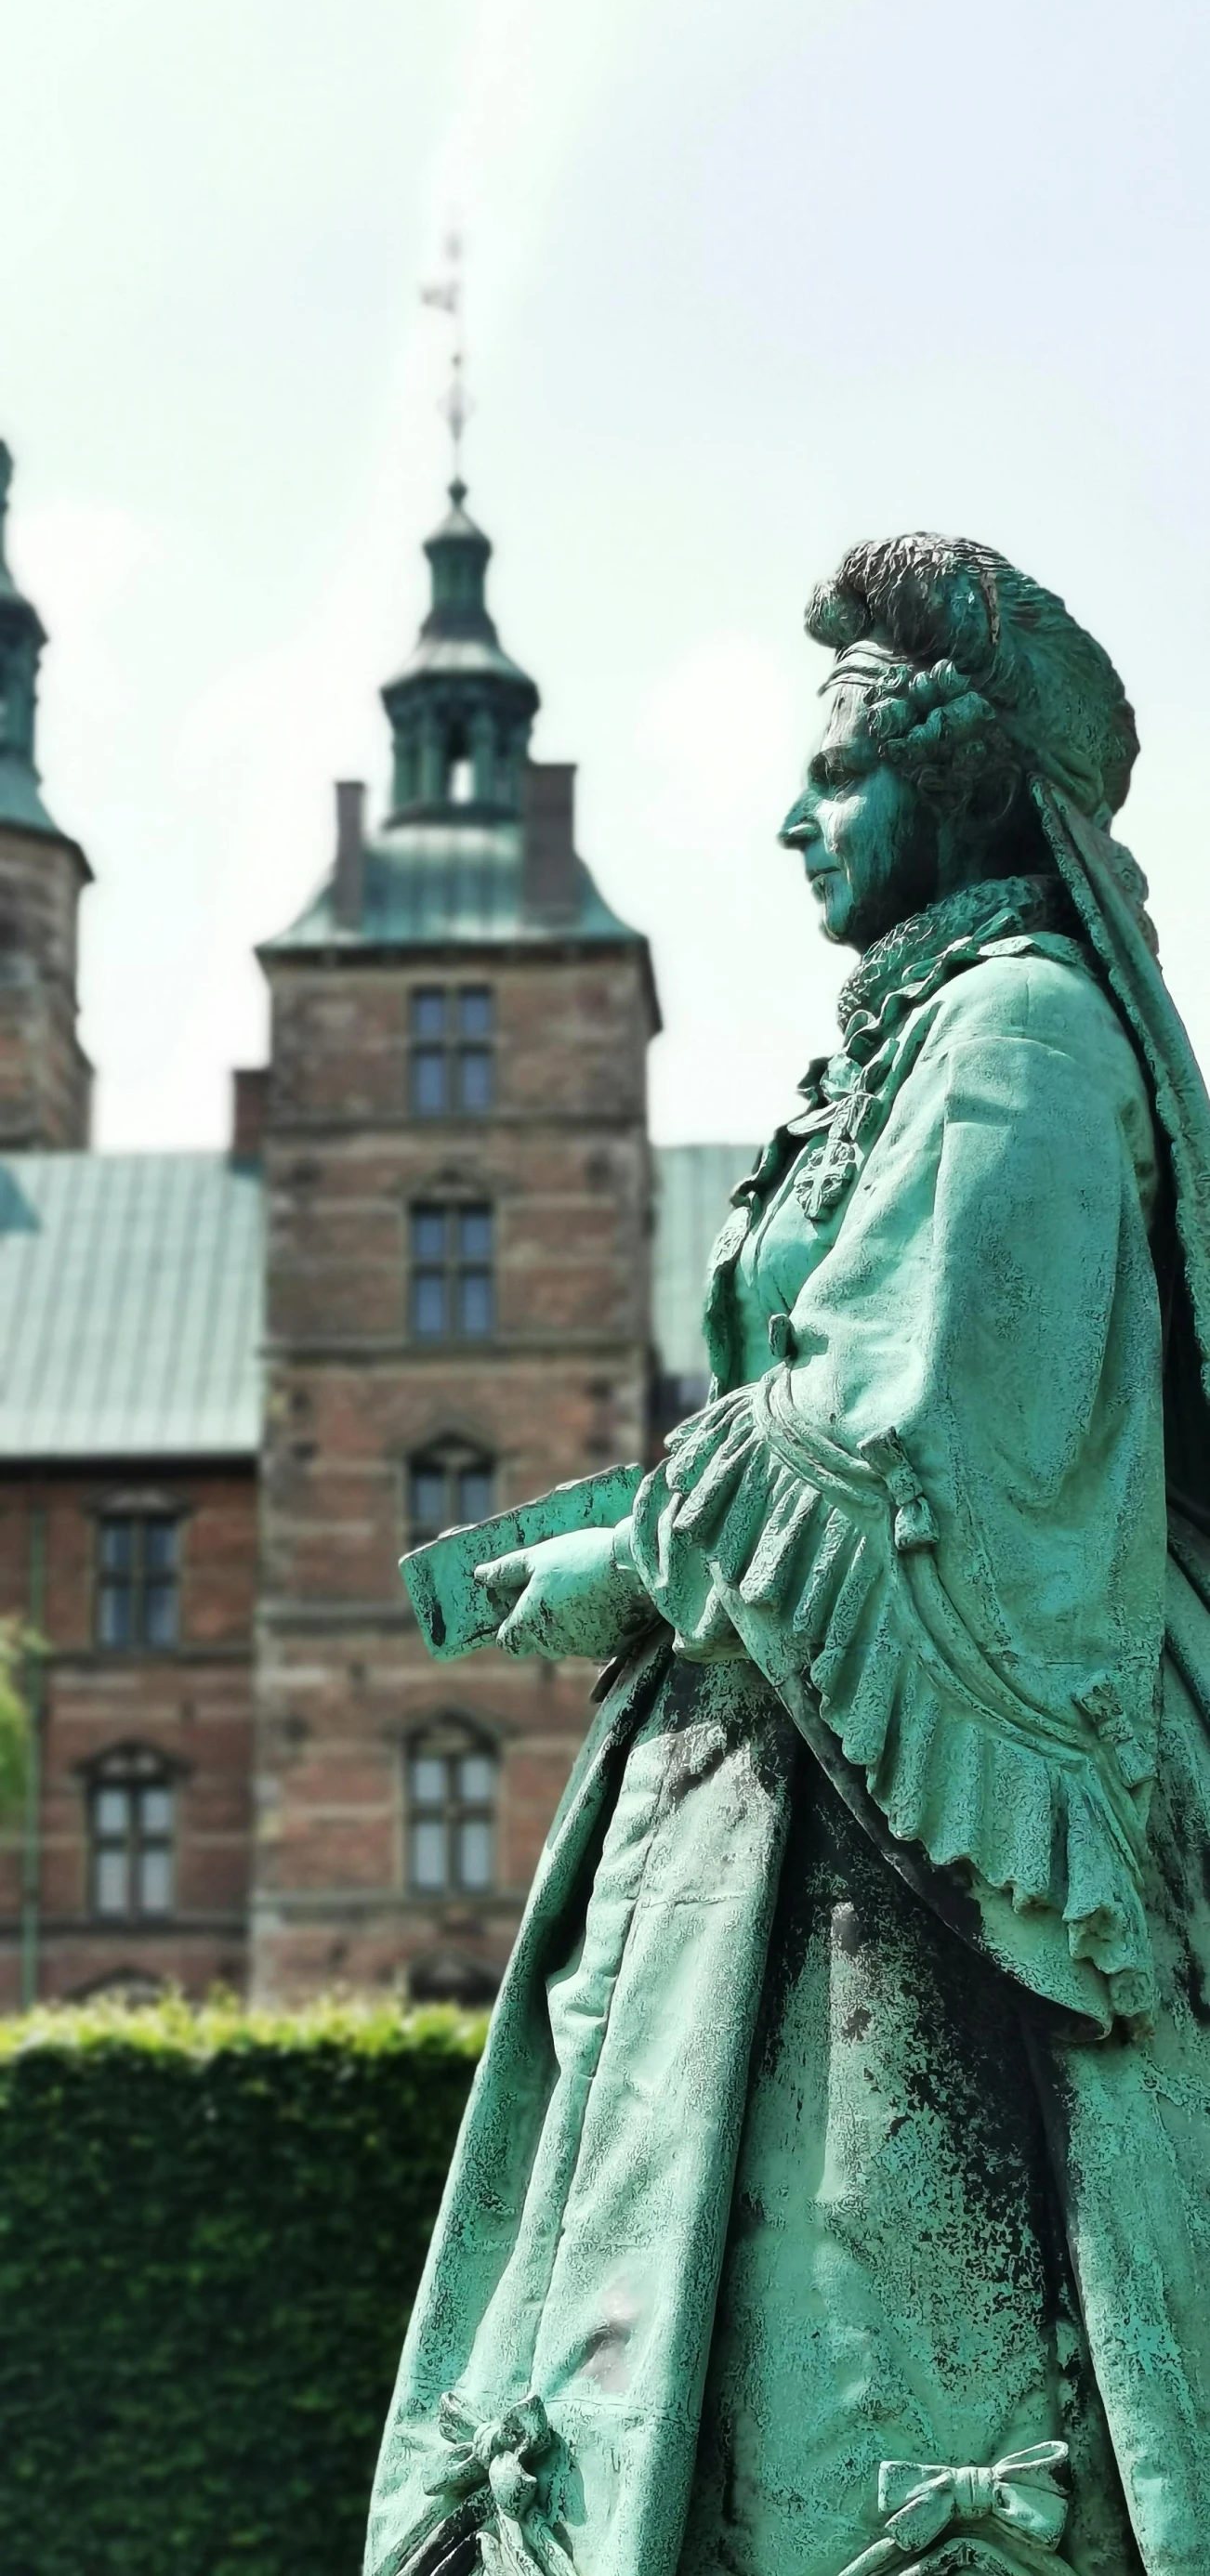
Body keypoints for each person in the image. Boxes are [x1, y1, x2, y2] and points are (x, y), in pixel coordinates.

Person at [365, 538, 1210, 2576]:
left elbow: (907, 1432)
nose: (786, 819)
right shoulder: (899, 1058)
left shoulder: (1022, 1041)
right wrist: (645, 1543)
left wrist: (630, 1565)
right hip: (770, 1807)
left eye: (831, 779)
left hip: (918, 1866)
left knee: (868, 2339)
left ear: (959, 789)